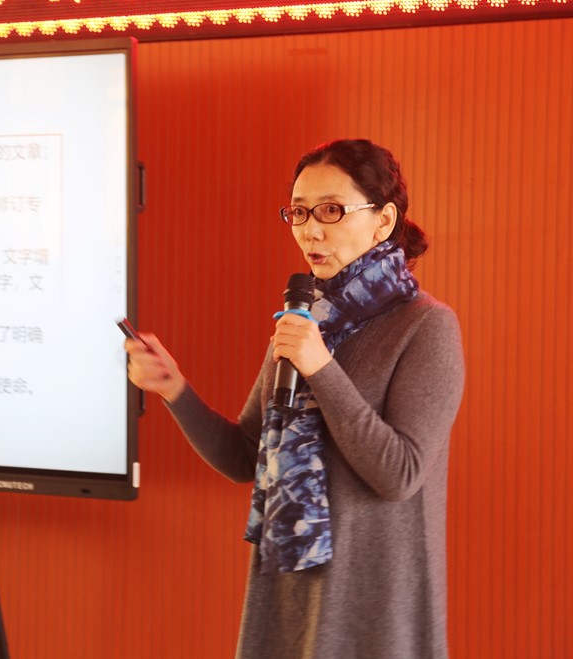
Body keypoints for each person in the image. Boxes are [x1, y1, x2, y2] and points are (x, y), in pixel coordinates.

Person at [125, 139, 464, 658]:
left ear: (383, 220)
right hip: (290, 592)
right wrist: (174, 388)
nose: (310, 230)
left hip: (373, 603)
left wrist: (320, 368)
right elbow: (245, 456)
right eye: (299, 212)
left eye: (331, 210)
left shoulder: (426, 325)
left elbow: (399, 474)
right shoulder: (304, 322)